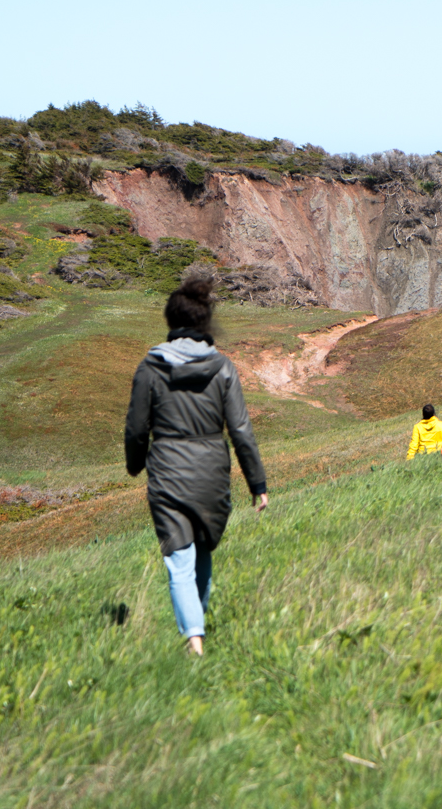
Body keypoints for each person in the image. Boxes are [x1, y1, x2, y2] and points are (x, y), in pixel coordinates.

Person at [125, 277, 268, 657]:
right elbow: (240, 429)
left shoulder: (151, 367)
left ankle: (194, 638)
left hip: (168, 470)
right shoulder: (223, 367)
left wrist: (135, 465)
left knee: (179, 556)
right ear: (205, 324)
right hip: (212, 471)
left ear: (170, 322)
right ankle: (197, 632)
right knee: (202, 551)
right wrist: (257, 483)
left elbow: (137, 428)